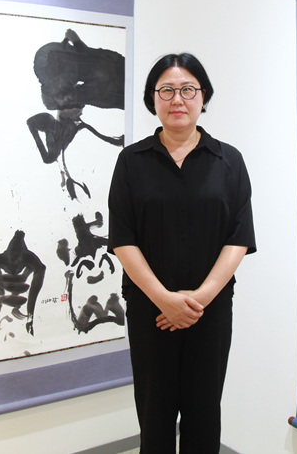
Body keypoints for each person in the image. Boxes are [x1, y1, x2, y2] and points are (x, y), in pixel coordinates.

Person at [108, 53, 256, 454]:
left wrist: (197, 300)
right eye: (167, 90)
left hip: (209, 310)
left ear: (203, 97)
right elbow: (123, 239)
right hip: (149, 309)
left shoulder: (229, 160)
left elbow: (239, 237)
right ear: (152, 99)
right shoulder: (131, 161)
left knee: (204, 413)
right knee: (154, 414)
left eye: (188, 89)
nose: (178, 99)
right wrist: (164, 300)